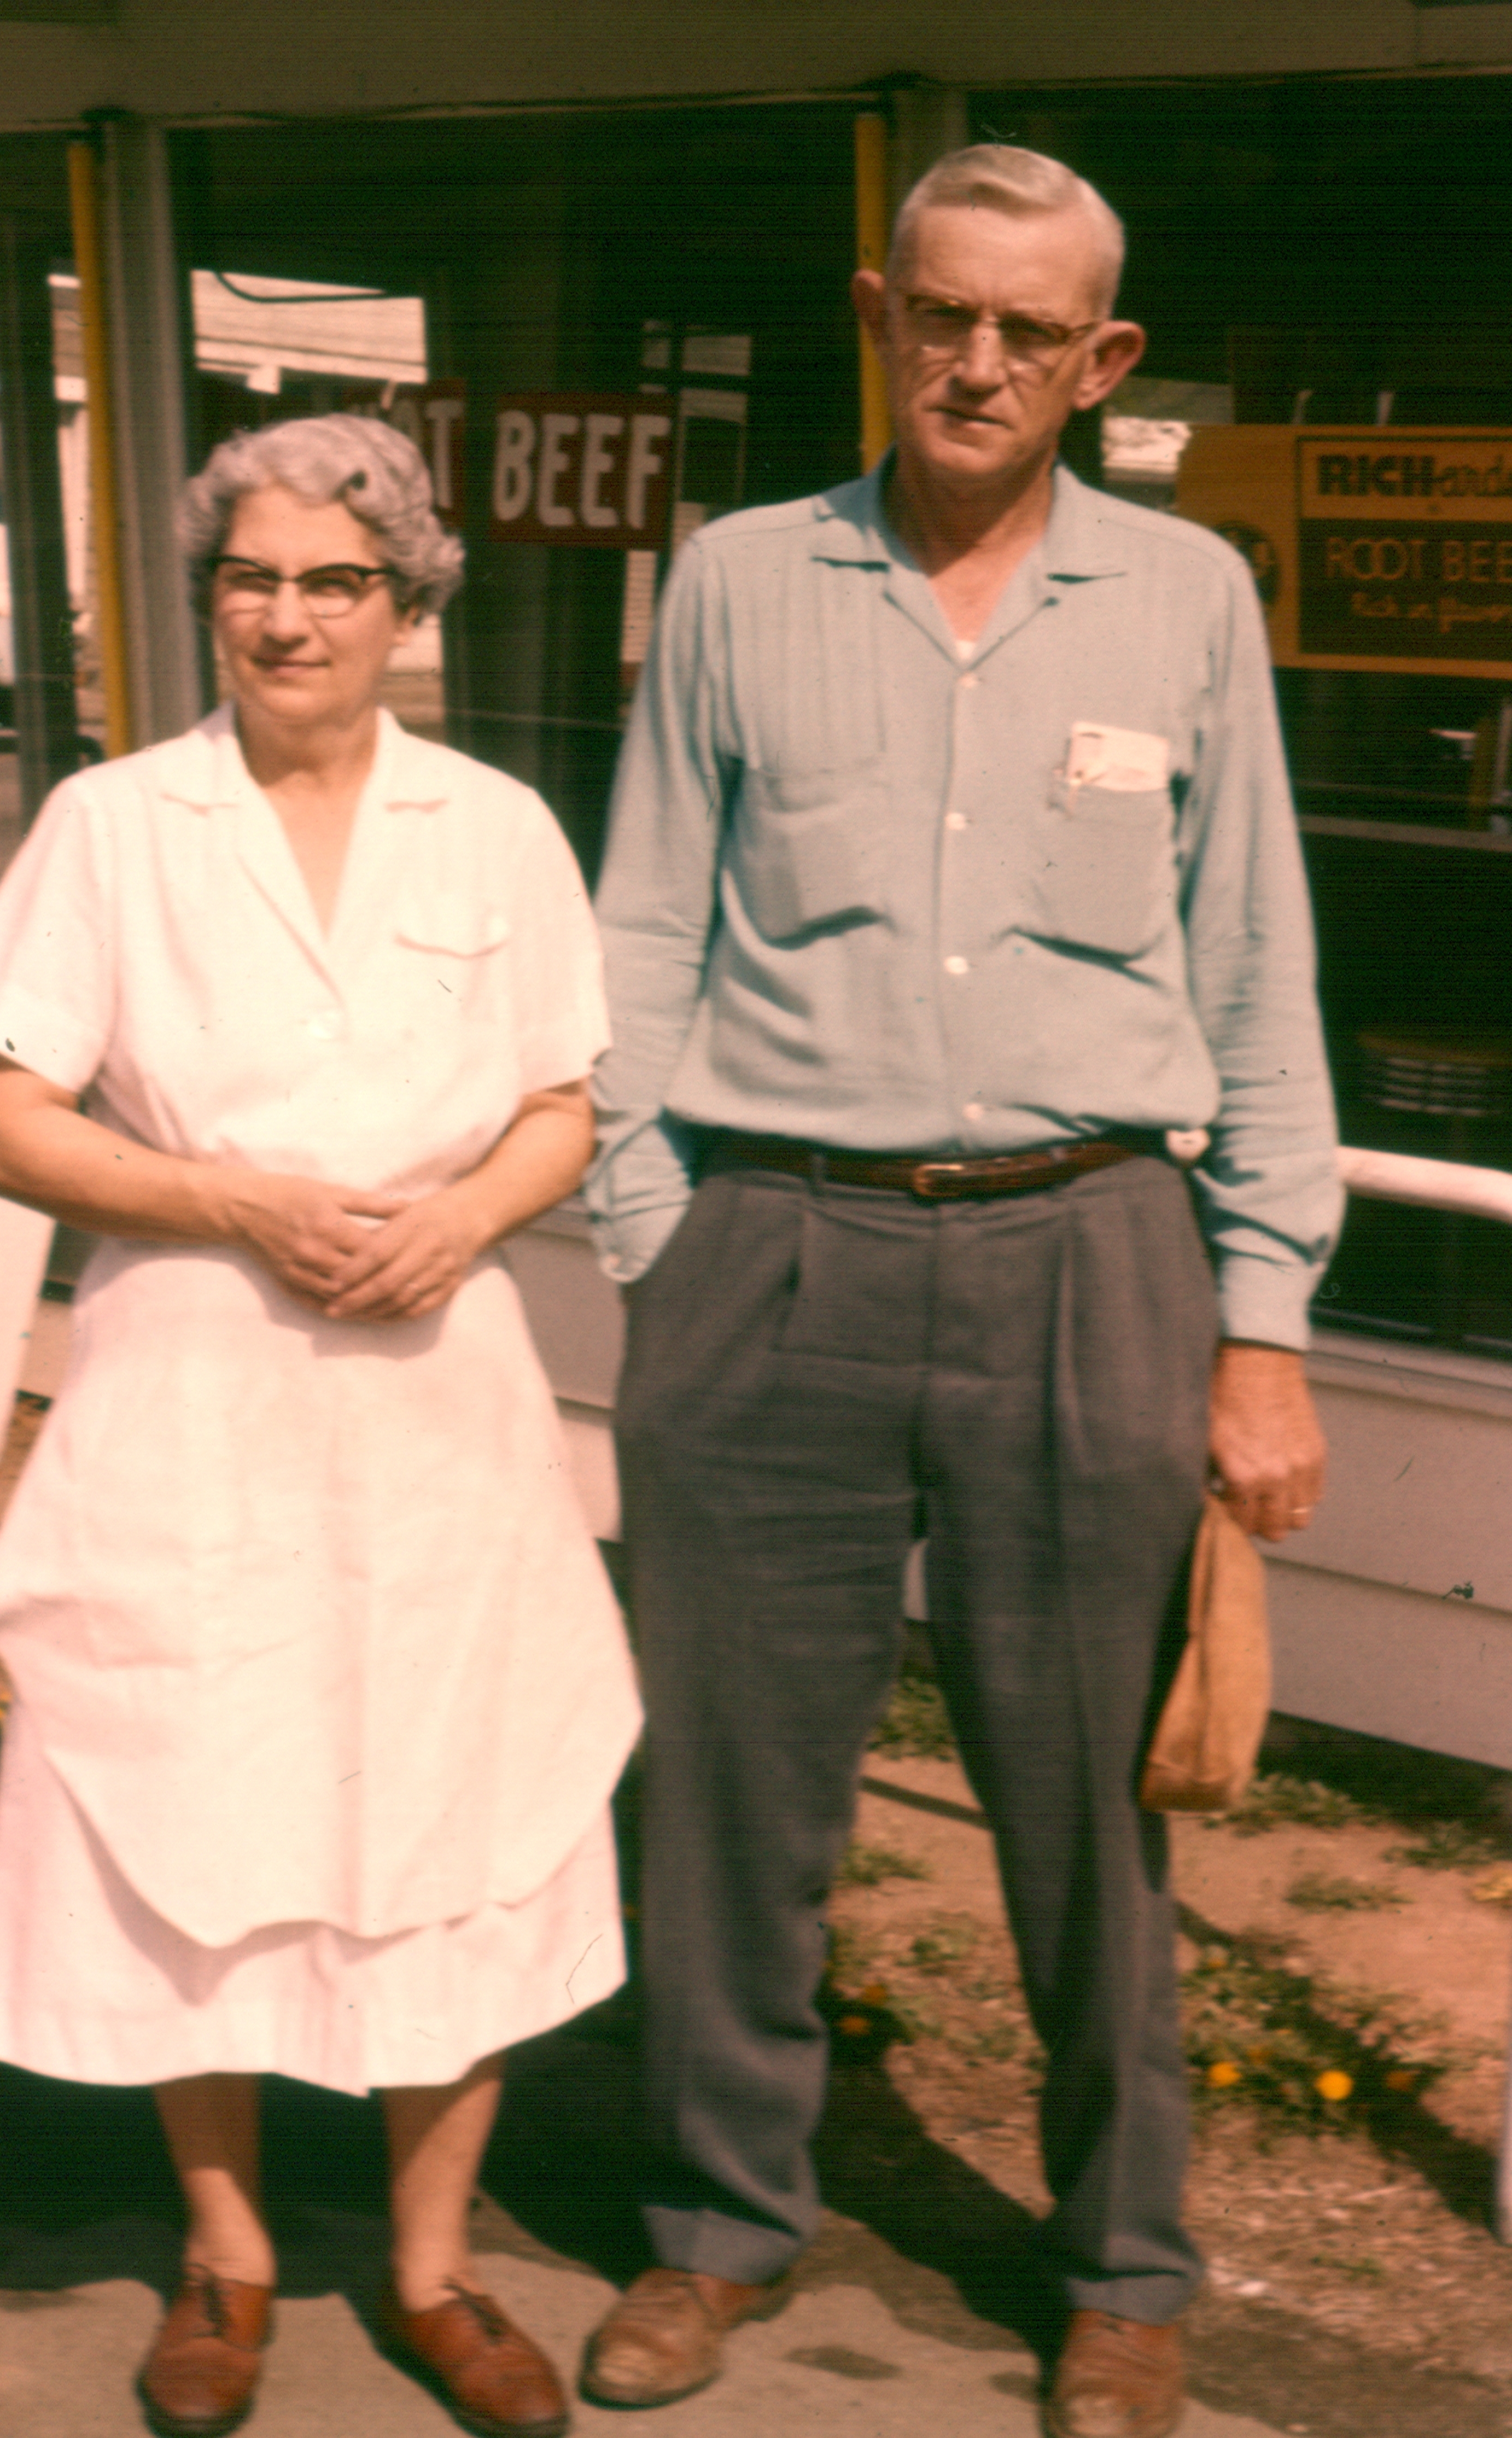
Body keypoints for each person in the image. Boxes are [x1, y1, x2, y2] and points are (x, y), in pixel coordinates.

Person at [580, 146, 1340, 2438]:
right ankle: (716, 2222)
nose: (976, 361)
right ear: (875, 313)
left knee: (1083, 1799)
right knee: (726, 1789)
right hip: (773, 1243)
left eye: (1030, 328)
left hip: (1083, 1247)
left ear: (1101, 358)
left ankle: (1121, 2265)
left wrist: (1262, 1320)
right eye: (939, 314)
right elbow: (640, 922)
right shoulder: (735, 578)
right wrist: (650, 1226)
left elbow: (1253, 968)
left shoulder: (1185, 597)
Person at [0, 413, 641, 2438]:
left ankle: (433, 2271)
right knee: (196, 1784)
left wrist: (461, 1219)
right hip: (195, 1388)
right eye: (249, 575)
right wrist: (232, 1194)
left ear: (408, 602)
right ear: (207, 597)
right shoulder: (113, 822)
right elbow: (0, 1118)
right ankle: (226, 2258)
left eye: (335, 579)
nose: (285, 614)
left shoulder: (495, 826)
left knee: (461, 1800)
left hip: (438, 1406)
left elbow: (558, 1108)